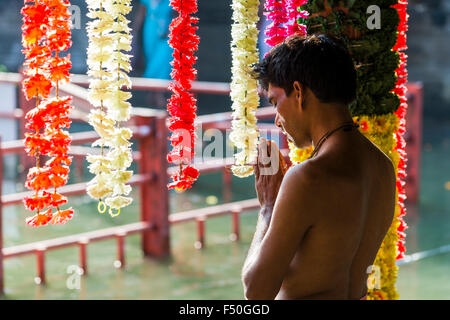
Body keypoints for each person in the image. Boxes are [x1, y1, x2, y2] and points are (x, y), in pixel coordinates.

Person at [241, 34, 396, 300]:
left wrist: (268, 206)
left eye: (276, 102)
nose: (278, 120)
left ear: (299, 93)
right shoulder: (382, 166)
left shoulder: (307, 178)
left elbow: (256, 291)